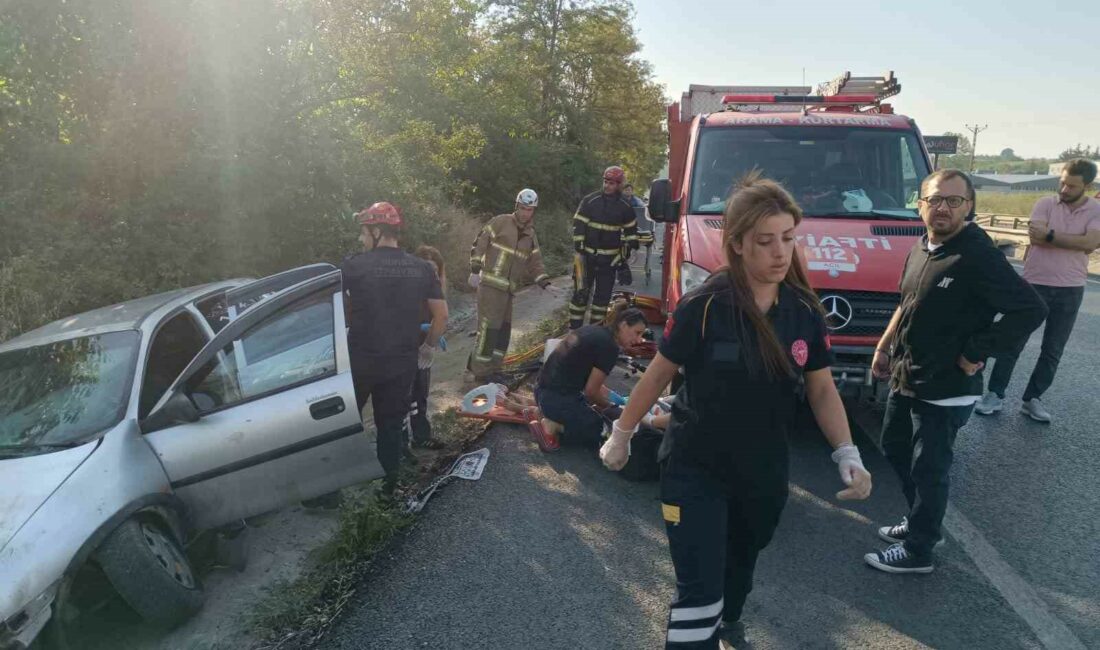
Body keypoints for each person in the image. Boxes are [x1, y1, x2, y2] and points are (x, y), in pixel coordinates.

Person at [600, 173, 872, 648]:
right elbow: (659, 372)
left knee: (739, 567)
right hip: (694, 467)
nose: (780, 252)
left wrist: (846, 451)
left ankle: (730, 619)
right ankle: (707, 624)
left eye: (788, 238)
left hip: (762, 473)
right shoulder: (703, 306)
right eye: (765, 241)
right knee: (697, 593)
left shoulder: (803, 312)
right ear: (739, 244)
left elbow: (822, 389)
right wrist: (622, 433)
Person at [866, 170, 1046, 574]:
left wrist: (977, 352)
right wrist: (882, 346)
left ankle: (919, 550)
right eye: (935, 200)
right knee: (894, 448)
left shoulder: (976, 255)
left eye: (954, 200)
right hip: (906, 372)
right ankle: (920, 521)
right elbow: (906, 301)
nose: (943, 208)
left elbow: (1031, 309)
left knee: (929, 468)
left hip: (948, 383)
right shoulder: (922, 247)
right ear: (920, 205)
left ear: (969, 207)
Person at [976, 159, 1100, 422]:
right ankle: (995, 395)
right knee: (1012, 342)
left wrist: (1051, 237)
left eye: (1072, 185)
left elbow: (1091, 242)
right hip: (1034, 284)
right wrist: (1075, 242)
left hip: (1071, 288)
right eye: (1062, 182)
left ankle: (1032, 400)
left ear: (1087, 186)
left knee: (1053, 349)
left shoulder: (1096, 210)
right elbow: (1035, 237)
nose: (1064, 189)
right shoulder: (1045, 203)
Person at [341, 202, 448, 495]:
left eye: (364, 233)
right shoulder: (422, 268)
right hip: (401, 363)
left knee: (346, 423)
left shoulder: (353, 266)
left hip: (361, 360)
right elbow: (441, 315)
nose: (361, 240)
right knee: (389, 424)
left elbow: (334, 308)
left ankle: (328, 493)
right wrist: (427, 348)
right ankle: (388, 489)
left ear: (376, 231)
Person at [535, 300, 647, 448]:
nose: (639, 340)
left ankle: (542, 412)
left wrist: (615, 400)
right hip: (556, 401)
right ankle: (554, 426)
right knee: (603, 428)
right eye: (637, 333)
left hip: (541, 392)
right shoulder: (609, 347)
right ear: (623, 325)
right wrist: (611, 408)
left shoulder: (594, 331)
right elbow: (591, 392)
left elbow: (594, 386)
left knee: (593, 407)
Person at [468, 188, 553, 382]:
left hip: (508, 290)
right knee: (489, 330)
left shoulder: (530, 234)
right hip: (490, 286)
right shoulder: (500, 222)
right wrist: (474, 269)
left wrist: (545, 283)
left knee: (503, 332)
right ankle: (481, 373)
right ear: (516, 206)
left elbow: (535, 262)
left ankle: (494, 369)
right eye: (522, 208)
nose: (525, 213)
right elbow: (479, 243)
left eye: (529, 209)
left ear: (534, 211)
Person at [569, 166, 639, 328]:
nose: (607, 186)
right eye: (606, 182)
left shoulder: (625, 207)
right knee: (580, 296)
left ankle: (594, 332)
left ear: (619, 185)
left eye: (612, 183)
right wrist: (579, 245)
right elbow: (578, 223)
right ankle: (574, 331)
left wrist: (624, 256)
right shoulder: (590, 200)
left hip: (609, 262)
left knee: (602, 300)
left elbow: (630, 233)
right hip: (585, 258)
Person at [405, 245, 448, 450]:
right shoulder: (406, 288)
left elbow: (438, 316)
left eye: (435, 269)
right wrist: (419, 328)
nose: (431, 273)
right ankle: (403, 446)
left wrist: (434, 335)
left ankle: (421, 436)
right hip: (405, 348)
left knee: (421, 393)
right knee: (406, 398)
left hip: (423, 347)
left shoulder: (435, 291)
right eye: (427, 268)